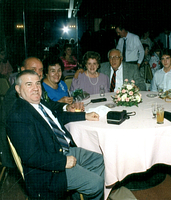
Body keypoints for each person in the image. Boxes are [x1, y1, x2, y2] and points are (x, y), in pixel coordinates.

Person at [6, 70, 105, 199]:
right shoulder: (18, 116)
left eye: (37, 83)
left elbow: (58, 116)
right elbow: (31, 157)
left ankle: (79, 195)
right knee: (96, 184)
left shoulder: (39, 104)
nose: (36, 88)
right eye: (29, 84)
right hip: (49, 171)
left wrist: (84, 115)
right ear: (18, 89)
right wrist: (63, 161)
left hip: (61, 150)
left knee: (99, 160)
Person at [0, 57, 78, 170]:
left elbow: (50, 105)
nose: (38, 73)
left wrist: (66, 106)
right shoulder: (15, 99)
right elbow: (27, 147)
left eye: (41, 69)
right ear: (22, 70)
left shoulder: (35, 87)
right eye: (33, 69)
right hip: (25, 155)